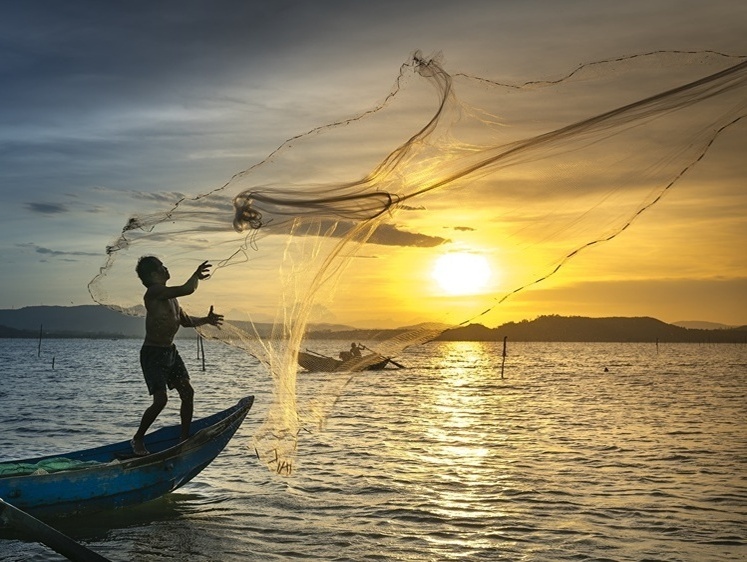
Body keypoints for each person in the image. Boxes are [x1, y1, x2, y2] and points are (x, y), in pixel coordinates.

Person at [131, 256, 224, 456]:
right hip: (153, 353)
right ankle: (138, 438)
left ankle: (184, 438)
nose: (166, 268)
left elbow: (186, 321)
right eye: (162, 267)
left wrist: (206, 320)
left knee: (187, 393)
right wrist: (196, 276)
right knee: (161, 400)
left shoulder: (172, 298)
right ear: (154, 274)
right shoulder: (154, 293)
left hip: (170, 352)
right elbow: (188, 288)